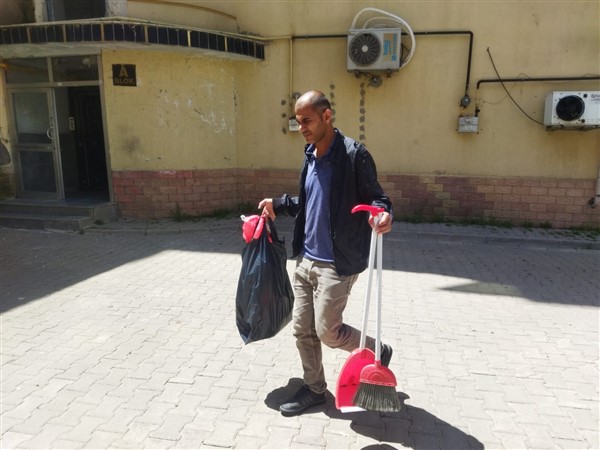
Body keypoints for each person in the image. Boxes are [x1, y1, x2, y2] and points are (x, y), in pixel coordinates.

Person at [258, 90, 394, 417]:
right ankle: (315, 389)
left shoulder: (354, 155)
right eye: (297, 121)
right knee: (302, 330)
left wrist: (382, 214)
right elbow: (311, 202)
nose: (301, 128)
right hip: (306, 258)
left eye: (306, 121)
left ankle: (376, 350)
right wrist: (279, 204)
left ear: (327, 116)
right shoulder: (310, 155)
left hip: (338, 262)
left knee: (327, 332)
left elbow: (378, 198)